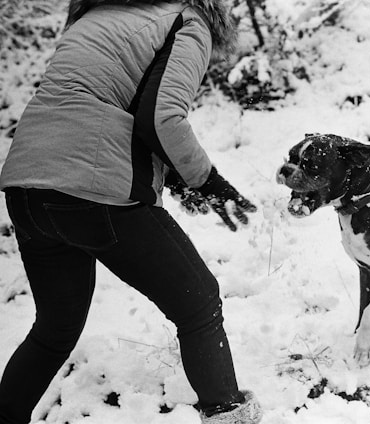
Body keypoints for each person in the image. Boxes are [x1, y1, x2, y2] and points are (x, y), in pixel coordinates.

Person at [0, 0, 262, 423]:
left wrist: (172, 177)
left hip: (27, 190)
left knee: (55, 329)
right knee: (198, 304)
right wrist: (206, 179)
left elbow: (108, 103)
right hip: (94, 191)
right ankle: (229, 414)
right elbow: (161, 118)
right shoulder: (186, 19)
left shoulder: (98, 14)